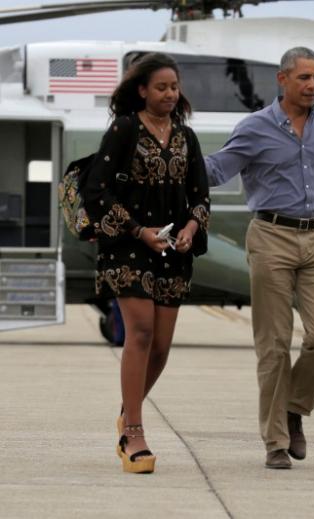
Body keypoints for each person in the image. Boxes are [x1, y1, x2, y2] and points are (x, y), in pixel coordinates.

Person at [204, 47, 314, 470]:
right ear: (283, 79)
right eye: (305, 78)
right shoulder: (254, 127)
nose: (312, 85)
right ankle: (275, 440)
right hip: (271, 235)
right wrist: (169, 158)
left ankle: (294, 409)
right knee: (273, 345)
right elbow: (218, 170)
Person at [84, 52, 210, 474]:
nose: (171, 94)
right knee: (139, 333)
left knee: (160, 347)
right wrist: (138, 231)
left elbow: (200, 196)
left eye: (174, 87)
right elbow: (96, 191)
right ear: (141, 90)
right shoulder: (124, 129)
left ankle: (127, 409)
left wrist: (192, 226)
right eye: (162, 87)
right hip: (128, 246)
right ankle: (133, 432)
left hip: (173, 250)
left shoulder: (186, 137)